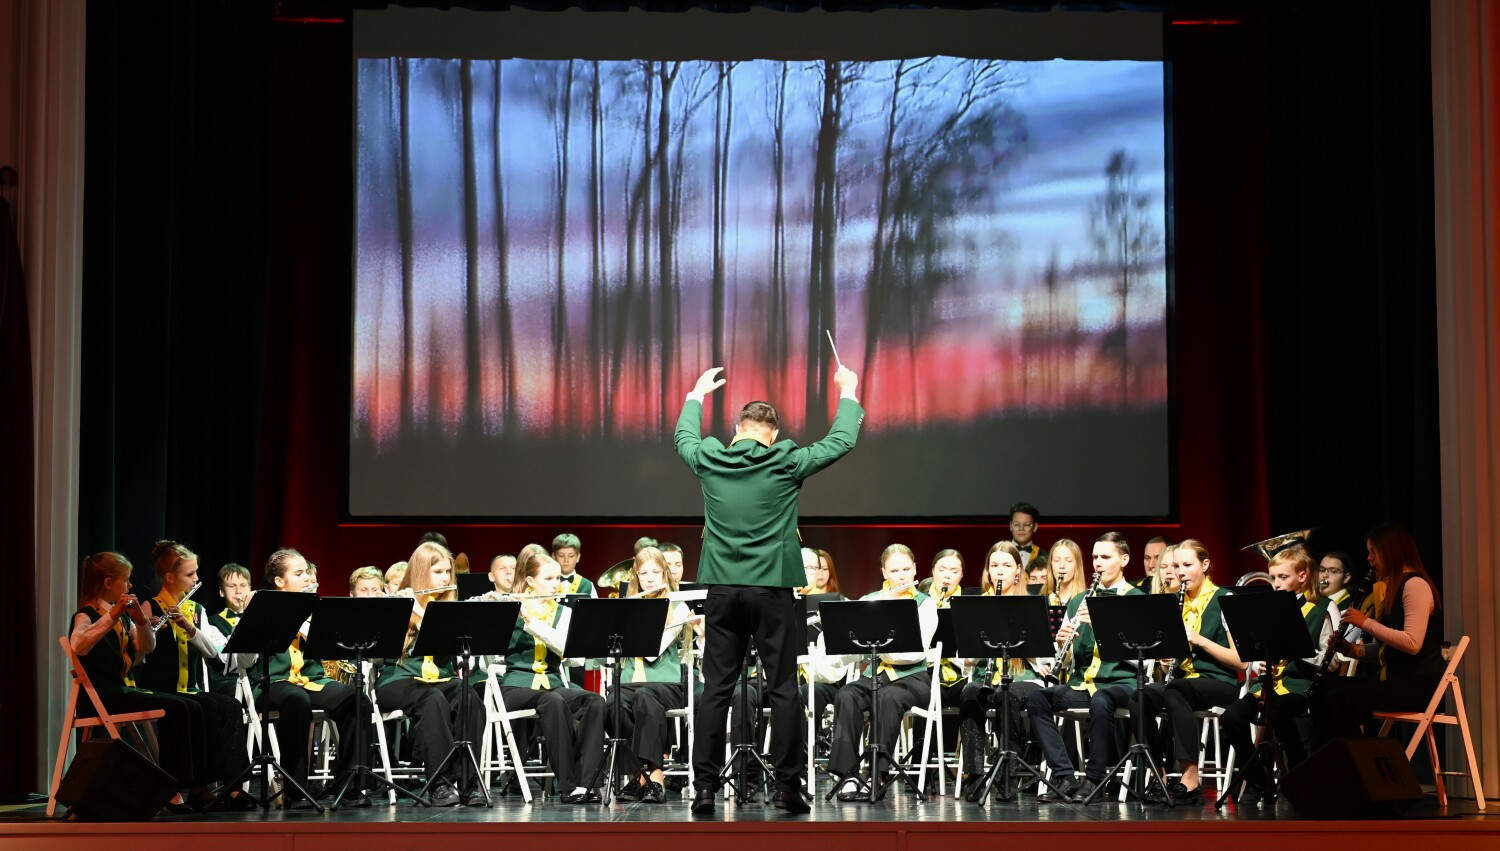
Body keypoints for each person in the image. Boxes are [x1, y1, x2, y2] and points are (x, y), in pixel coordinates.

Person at [676, 363, 862, 815]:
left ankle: (703, 789)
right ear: (773, 435)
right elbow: (842, 440)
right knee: (782, 689)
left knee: (716, 688)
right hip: (774, 591)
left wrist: (696, 395)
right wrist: (849, 391)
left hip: (721, 589)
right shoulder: (786, 460)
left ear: (737, 430)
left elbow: (683, 438)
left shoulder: (711, 457)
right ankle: (787, 788)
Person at [70, 552, 216, 813]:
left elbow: (146, 648)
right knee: (177, 708)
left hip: (124, 691)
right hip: (101, 697)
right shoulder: (86, 615)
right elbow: (78, 645)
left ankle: (189, 785)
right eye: (126, 581)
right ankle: (171, 791)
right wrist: (112, 616)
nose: (130, 587)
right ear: (107, 583)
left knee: (191, 706)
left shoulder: (124, 617)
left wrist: (141, 621)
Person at [234, 548, 375, 807]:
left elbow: (328, 644)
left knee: (358, 700)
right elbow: (243, 662)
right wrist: (252, 618)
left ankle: (350, 787)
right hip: (273, 683)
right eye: (299, 574)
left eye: (307, 572)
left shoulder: (312, 606)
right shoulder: (262, 605)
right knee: (296, 700)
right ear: (279, 581)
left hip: (311, 679)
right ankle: (295, 789)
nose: (307, 578)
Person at [1025, 531, 1141, 804]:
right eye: (1095, 557)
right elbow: (1064, 661)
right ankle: (1065, 776)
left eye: (1106, 557)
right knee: (1037, 698)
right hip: (1084, 683)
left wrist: (1105, 628)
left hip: (1123, 684)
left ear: (1123, 560)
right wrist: (1062, 644)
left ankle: (1095, 779)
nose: (1098, 563)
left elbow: (1144, 659)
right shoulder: (1079, 602)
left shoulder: (1136, 599)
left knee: (1101, 700)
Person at [137, 541, 252, 809]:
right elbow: (139, 652)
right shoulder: (149, 606)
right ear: (170, 577)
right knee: (199, 708)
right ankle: (187, 788)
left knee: (229, 706)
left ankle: (233, 786)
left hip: (191, 689)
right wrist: (149, 629)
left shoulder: (197, 611)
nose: (196, 579)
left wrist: (190, 628)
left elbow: (215, 652)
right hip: (161, 688)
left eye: (196, 573)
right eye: (190, 574)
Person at [1219, 543, 1335, 805]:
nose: (1276, 584)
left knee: (1279, 712)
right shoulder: (1271, 606)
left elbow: (1332, 660)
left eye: (1283, 577)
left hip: (1301, 686)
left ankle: (1296, 779)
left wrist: (1296, 650)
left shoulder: (1323, 608)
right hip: (1267, 686)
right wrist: (1259, 664)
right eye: (1273, 578)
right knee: (1231, 717)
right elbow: (1257, 647)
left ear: (1303, 576)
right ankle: (1260, 780)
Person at [1129, 540, 1244, 803]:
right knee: (1140, 695)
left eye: (1188, 565)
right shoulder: (1176, 603)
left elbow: (1241, 662)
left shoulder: (1225, 600)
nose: (1181, 572)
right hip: (1183, 684)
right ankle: (1157, 776)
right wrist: (1167, 657)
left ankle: (1190, 778)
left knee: (1176, 690)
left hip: (1220, 682)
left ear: (1204, 566)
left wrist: (1199, 639)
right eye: (1177, 566)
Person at [373, 542, 483, 806]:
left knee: (469, 696)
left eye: (448, 572)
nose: (445, 578)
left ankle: (470, 783)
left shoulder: (448, 607)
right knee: (431, 699)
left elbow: (446, 639)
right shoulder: (397, 605)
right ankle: (440, 785)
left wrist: (419, 611)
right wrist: (399, 611)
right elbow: (376, 655)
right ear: (422, 573)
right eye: (438, 572)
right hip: (398, 681)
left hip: (442, 679)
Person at [1314, 522, 1444, 743]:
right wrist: (1351, 649)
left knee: (1339, 700)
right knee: (1321, 690)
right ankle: (1338, 765)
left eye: (1373, 552)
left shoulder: (1415, 585)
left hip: (1419, 685)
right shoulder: (1389, 587)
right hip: (1397, 680)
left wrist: (1365, 622)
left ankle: (1364, 767)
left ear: (1390, 552)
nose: (1369, 559)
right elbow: (1386, 650)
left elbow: (1412, 643)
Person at [827, 544, 938, 803]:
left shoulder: (924, 604)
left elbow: (914, 653)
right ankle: (847, 774)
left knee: (887, 698)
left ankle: (877, 774)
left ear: (915, 570)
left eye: (906, 569)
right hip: (878, 676)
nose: (902, 575)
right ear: (884, 572)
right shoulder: (870, 600)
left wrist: (878, 646)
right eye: (895, 570)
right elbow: (849, 643)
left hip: (914, 678)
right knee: (847, 694)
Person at [495, 550, 607, 803]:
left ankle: (586, 783)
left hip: (552, 684)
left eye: (558, 578)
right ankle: (566, 786)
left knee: (594, 701)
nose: (556, 584)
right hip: (516, 687)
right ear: (530, 581)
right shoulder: (508, 606)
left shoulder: (563, 612)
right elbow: (487, 657)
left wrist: (532, 620)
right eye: (549, 579)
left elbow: (575, 657)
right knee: (552, 702)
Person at [957, 541, 1045, 800]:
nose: (1000, 571)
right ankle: (974, 775)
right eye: (994, 566)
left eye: (1006, 566)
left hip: (1024, 677)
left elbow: (1042, 656)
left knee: (1009, 696)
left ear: (1018, 570)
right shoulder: (976, 605)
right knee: (970, 693)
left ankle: (1009, 773)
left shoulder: (1029, 604)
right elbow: (968, 659)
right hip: (988, 676)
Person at [612, 547, 696, 803]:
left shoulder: (678, 607)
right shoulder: (627, 605)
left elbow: (652, 650)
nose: (650, 578)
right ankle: (640, 775)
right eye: (644, 573)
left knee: (644, 698)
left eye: (655, 572)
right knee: (610, 704)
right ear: (636, 576)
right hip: (630, 681)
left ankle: (655, 775)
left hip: (666, 683)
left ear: (665, 574)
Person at [207, 563, 253, 697]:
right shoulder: (212, 623)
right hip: (228, 681)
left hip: (254, 680)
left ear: (250, 589)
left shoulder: (261, 617)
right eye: (232, 586)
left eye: (243, 585)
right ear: (221, 592)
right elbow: (228, 659)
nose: (238, 591)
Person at [1044, 539, 1087, 606]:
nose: (1062, 566)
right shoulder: (1044, 599)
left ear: (1077, 565)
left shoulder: (1087, 599)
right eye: (1056, 560)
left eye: (1068, 561)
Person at [1008, 502, 1042, 566]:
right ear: (1010, 526)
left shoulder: (1046, 556)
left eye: (1026, 525)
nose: (1021, 529)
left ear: (1035, 527)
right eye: (1016, 525)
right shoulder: (999, 554)